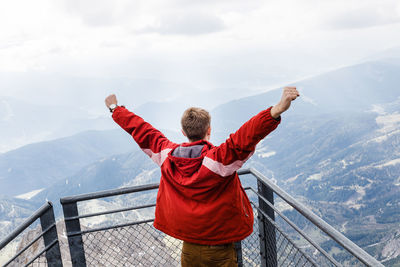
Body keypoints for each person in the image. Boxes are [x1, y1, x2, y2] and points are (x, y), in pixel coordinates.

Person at [105, 87, 299, 267]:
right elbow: (246, 135)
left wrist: (115, 109)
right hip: (220, 248)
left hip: (189, 247)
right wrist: (277, 109)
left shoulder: (167, 157)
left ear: (183, 132)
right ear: (209, 130)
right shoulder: (218, 161)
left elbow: (142, 130)